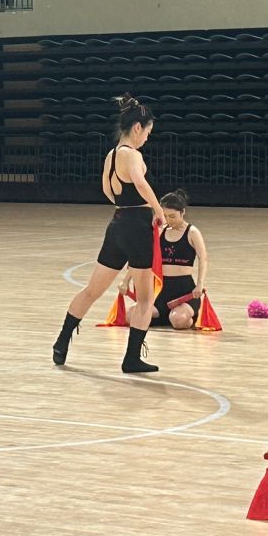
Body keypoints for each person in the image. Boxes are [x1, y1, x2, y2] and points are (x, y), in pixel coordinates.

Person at [52, 95, 167, 374]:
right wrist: (158, 210)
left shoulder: (111, 155)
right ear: (137, 128)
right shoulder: (133, 155)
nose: (147, 138)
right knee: (145, 299)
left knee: (92, 290)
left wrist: (124, 205)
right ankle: (131, 359)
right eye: (148, 132)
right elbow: (139, 182)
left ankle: (62, 341)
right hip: (137, 226)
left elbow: (107, 189)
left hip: (116, 225)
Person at [153, 190, 209, 330]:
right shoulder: (160, 231)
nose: (168, 220)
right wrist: (127, 281)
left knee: (178, 321)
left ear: (182, 212)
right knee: (132, 316)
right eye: (165, 216)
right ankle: (166, 316)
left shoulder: (192, 232)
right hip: (162, 292)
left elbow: (203, 258)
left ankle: (186, 317)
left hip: (185, 292)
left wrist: (199, 284)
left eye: (172, 216)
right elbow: (144, 256)